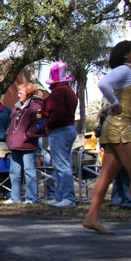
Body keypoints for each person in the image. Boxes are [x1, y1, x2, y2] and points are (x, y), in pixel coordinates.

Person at [84, 42, 131, 234]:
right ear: (125, 55)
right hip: (121, 126)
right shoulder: (125, 69)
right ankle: (91, 218)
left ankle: (91, 218)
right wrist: (115, 102)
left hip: (120, 126)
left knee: (106, 176)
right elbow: (103, 83)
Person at [42, 61, 78, 207]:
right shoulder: (69, 91)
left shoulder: (58, 92)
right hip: (69, 128)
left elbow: (58, 112)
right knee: (61, 164)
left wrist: (48, 125)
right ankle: (60, 196)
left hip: (60, 130)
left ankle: (68, 198)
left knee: (61, 165)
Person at [4, 83, 43, 204]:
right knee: (14, 172)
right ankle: (14, 197)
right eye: (18, 93)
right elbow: (10, 124)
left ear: (28, 93)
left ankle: (31, 198)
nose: (18, 95)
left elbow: (39, 125)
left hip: (28, 145)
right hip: (14, 144)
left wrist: (27, 136)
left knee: (29, 171)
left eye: (21, 93)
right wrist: (8, 135)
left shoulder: (35, 107)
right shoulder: (16, 108)